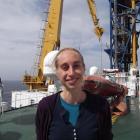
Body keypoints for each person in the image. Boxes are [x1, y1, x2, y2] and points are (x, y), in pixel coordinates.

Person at [35, 48, 113, 140]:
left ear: (83, 68)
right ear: (57, 71)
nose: (71, 73)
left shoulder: (101, 105)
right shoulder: (46, 107)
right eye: (65, 67)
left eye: (76, 66)